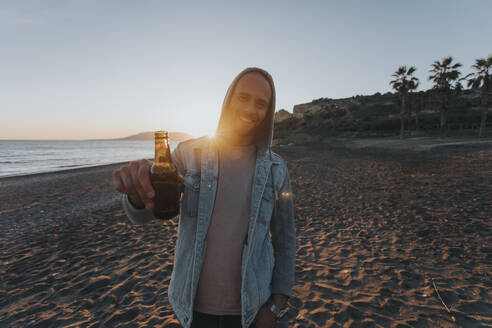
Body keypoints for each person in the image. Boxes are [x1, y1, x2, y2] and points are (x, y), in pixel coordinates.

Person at [112, 67, 296, 328]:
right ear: (228, 99)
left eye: (260, 103)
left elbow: (285, 240)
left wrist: (276, 306)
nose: (250, 109)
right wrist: (137, 195)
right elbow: (143, 214)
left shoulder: (276, 170)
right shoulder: (189, 155)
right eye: (243, 98)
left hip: (252, 310)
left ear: (268, 112)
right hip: (194, 309)